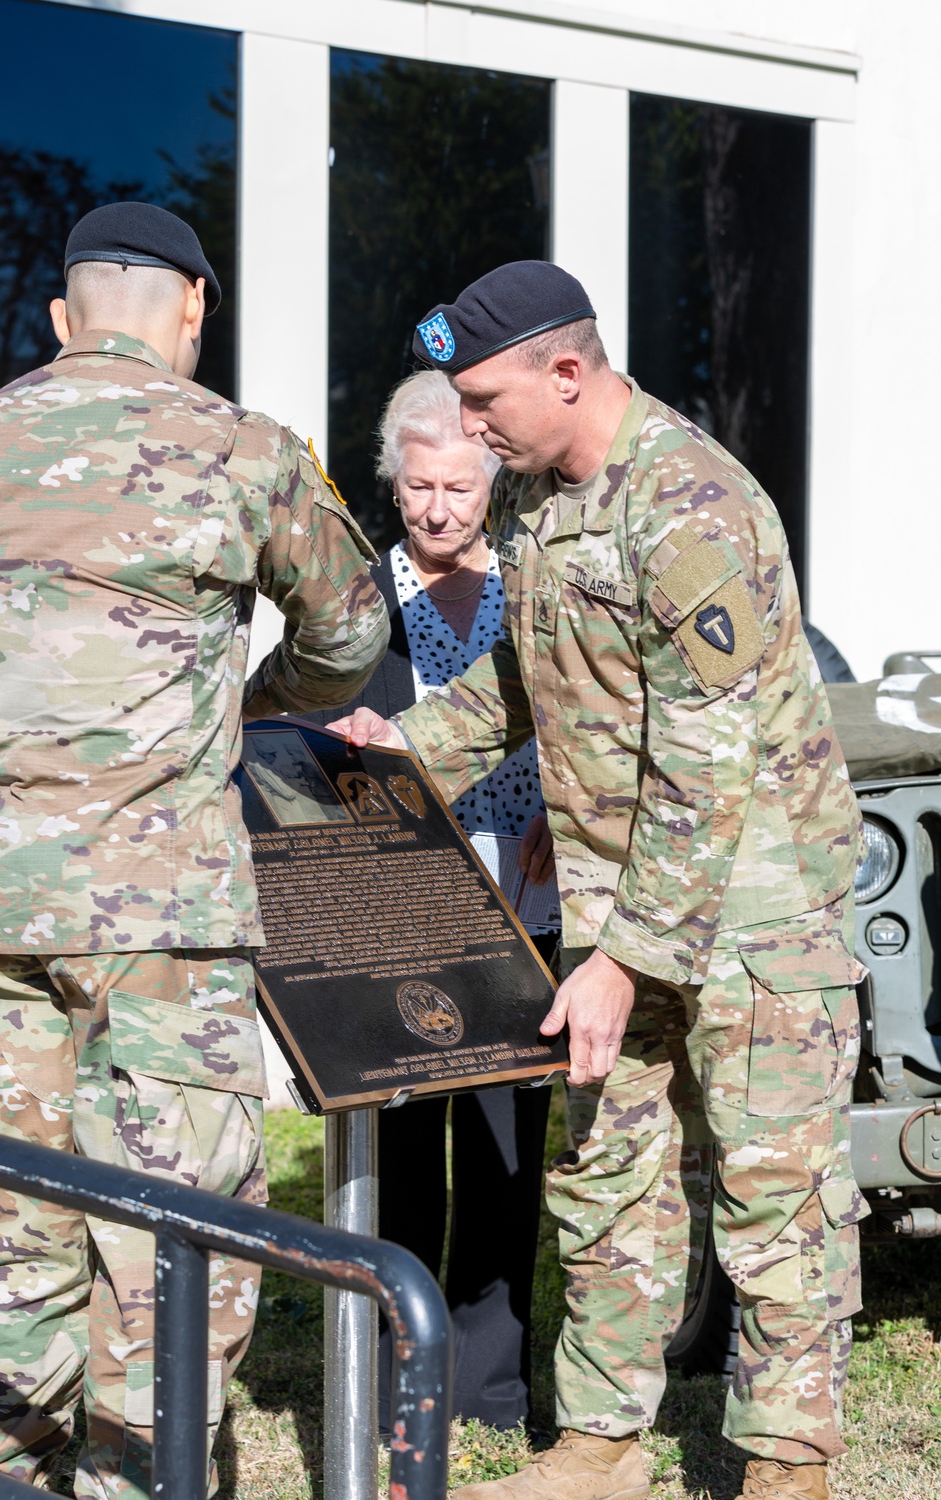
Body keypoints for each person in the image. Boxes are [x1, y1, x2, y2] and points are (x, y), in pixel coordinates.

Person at [333, 261, 865, 1500]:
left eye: (484, 399)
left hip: (755, 915)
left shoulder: (691, 508)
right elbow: (529, 681)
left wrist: (622, 956)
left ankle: (788, 1463)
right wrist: (408, 741)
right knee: (604, 1174)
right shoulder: (536, 506)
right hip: (622, 902)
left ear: (565, 373)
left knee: (771, 1191)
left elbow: (704, 760)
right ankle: (598, 1445)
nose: (470, 428)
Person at [0, 200, 388, 1497]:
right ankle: (136, 1481)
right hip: (163, 921)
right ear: (195, 308)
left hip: (0, 908)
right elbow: (351, 638)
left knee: (15, 1212)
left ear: (60, 315)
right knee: (174, 1235)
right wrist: (257, 699)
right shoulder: (243, 451)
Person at [309, 368, 558, 1432]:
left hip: (530, 913)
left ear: (493, 482)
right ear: (393, 484)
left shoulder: (540, 594)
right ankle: (390, 1392)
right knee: (400, 1168)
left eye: (459, 487)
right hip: (400, 920)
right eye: (419, 488)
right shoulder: (358, 610)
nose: (438, 508)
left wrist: (573, 813)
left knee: (507, 1168)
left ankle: (489, 1390)